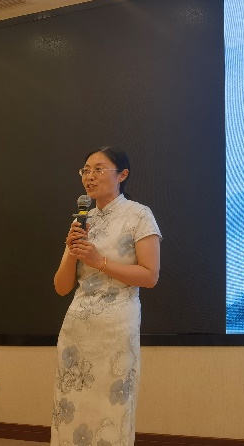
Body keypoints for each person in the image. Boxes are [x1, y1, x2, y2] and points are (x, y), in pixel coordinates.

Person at [51, 148, 161, 446]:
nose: (90, 176)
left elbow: (150, 276)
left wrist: (100, 262)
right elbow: (61, 287)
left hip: (115, 326)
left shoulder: (139, 215)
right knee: (71, 404)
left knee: (111, 407)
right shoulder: (82, 220)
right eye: (85, 170)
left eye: (99, 169)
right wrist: (71, 252)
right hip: (77, 326)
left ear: (122, 175)